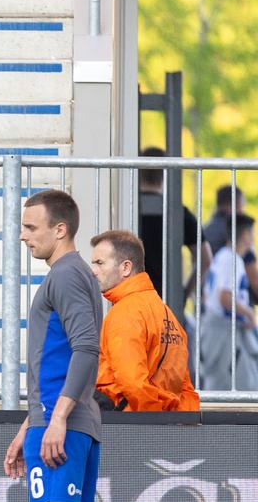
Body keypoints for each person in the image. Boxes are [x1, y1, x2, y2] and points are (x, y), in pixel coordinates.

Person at [3, 189, 105, 502]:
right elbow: (62, 356)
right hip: (63, 419)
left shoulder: (65, 275)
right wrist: (30, 424)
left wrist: (56, 418)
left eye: (31, 228)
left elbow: (87, 348)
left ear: (58, 229)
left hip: (66, 423)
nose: (24, 236)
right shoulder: (74, 274)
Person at [90, 229, 199, 412]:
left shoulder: (125, 313)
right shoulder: (167, 315)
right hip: (165, 426)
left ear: (126, 267)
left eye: (100, 263)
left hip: (129, 425)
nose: (93, 271)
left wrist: (152, 418)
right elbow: (184, 386)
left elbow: (132, 382)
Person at [135, 148, 210, 302]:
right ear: (166, 174)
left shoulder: (127, 209)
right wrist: (184, 294)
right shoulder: (179, 213)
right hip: (166, 300)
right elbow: (205, 258)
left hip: (132, 297)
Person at [199, 213, 258, 391]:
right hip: (223, 333)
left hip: (218, 331)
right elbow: (225, 297)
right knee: (240, 386)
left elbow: (208, 296)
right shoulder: (232, 260)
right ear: (246, 235)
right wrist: (248, 313)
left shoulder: (224, 256)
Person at [202, 184, 257, 308]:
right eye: (242, 205)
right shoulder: (239, 235)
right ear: (235, 205)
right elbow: (254, 279)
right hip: (232, 312)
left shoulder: (205, 231)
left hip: (207, 304)